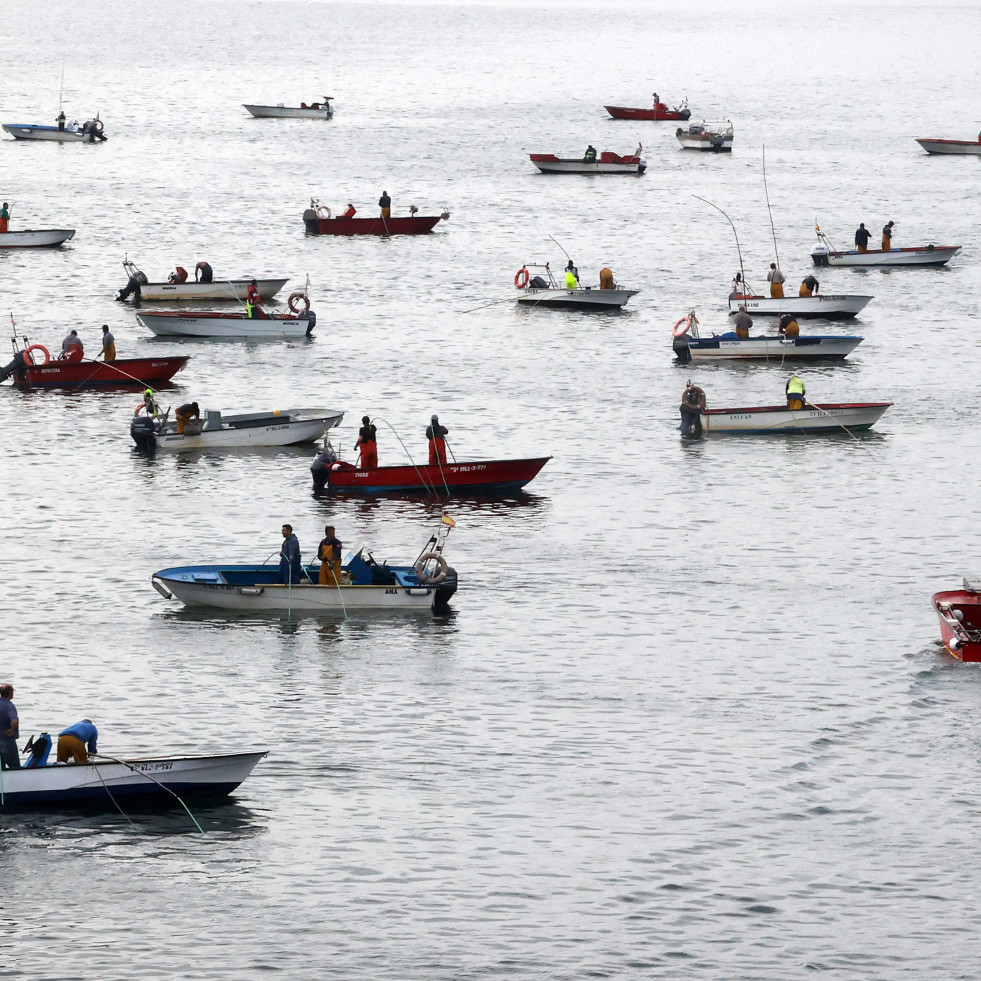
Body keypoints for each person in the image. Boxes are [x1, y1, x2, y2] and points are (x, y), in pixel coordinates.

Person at [0, 684, 20, 770]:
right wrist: (12, 730)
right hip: (6, 740)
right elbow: (14, 721)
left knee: (1, 767)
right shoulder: (9, 706)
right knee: (14, 767)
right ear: (10, 693)